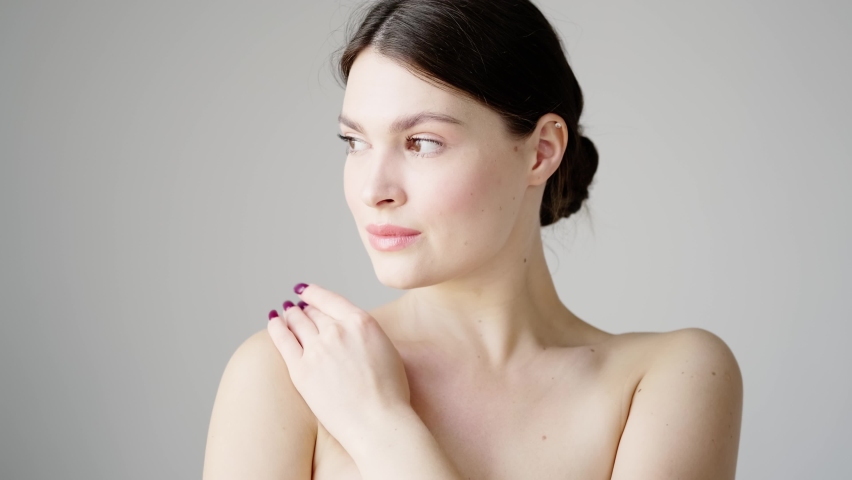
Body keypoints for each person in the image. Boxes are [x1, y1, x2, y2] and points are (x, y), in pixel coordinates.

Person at [202, 0, 744, 478]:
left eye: (422, 143)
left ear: (540, 152)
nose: (373, 189)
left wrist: (381, 428)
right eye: (355, 141)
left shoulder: (671, 377)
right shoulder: (288, 374)